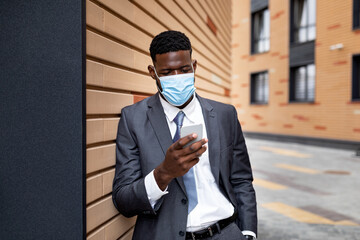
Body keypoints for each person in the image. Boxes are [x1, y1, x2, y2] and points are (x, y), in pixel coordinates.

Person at [112, 30, 257, 240]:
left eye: (184, 69)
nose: (177, 78)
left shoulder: (225, 115)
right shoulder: (132, 119)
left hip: (225, 232)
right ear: (153, 72)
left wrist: (248, 232)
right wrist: (163, 173)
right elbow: (124, 201)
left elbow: (241, 179)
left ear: (194, 67)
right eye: (167, 72)